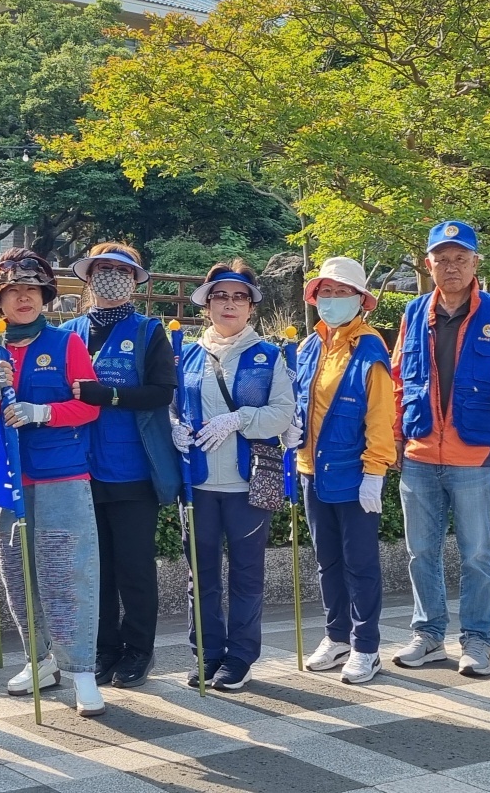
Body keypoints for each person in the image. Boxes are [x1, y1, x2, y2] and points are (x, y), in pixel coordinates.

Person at [390, 221, 490, 678]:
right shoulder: (414, 313)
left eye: (460, 258)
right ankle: (428, 634)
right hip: (418, 452)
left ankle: (477, 640)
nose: (450, 266)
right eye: (441, 258)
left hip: (474, 453)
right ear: (428, 264)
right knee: (420, 553)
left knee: (476, 552)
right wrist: (395, 438)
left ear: (475, 262)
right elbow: (399, 380)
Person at [0, 249, 107, 716]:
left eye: (32, 289)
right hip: (7, 479)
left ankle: (83, 670)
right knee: (18, 577)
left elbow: (89, 406)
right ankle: (38, 660)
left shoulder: (67, 344)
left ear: (45, 296)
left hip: (61, 476)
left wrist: (42, 412)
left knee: (68, 574)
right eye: (12, 291)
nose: (22, 297)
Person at [174, 261, 296, 690]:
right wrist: (173, 425)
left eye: (239, 297)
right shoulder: (187, 353)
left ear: (251, 307)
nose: (229, 304)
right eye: (220, 296)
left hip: (248, 482)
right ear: (206, 304)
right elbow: (172, 405)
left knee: (246, 574)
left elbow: (284, 412)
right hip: (198, 484)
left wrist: (239, 418)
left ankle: (240, 658)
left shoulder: (268, 355)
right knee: (200, 574)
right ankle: (206, 655)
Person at [64, 243, 180, 689]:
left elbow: (160, 392)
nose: (110, 276)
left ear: (134, 280)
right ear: (88, 278)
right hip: (79, 468)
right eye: (103, 269)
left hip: (132, 469)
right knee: (96, 569)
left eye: (120, 270)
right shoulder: (69, 332)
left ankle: (138, 652)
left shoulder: (149, 331)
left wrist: (107, 396)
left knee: (133, 568)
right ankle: (104, 648)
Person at [293, 257, 396, 684]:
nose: (331, 300)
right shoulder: (309, 345)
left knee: (360, 563)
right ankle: (336, 636)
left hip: (355, 473)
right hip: (311, 469)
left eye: (341, 293)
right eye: (325, 293)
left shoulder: (370, 348)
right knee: (327, 560)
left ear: (360, 300)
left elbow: (379, 416)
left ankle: (366, 646)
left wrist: (375, 471)